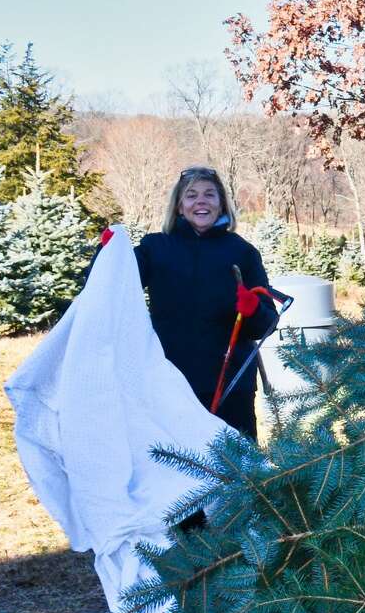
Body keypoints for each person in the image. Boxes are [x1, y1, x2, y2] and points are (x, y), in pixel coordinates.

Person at [103, 166, 275, 441]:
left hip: (231, 383)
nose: (201, 201)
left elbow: (267, 323)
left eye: (210, 194)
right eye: (191, 195)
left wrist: (253, 309)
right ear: (179, 207)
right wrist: (109, 254)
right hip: (170, 381)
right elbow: (111, 283)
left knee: (238, 474)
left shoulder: (242, 252)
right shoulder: (156, 247)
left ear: (222, 204)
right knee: (175, 471)